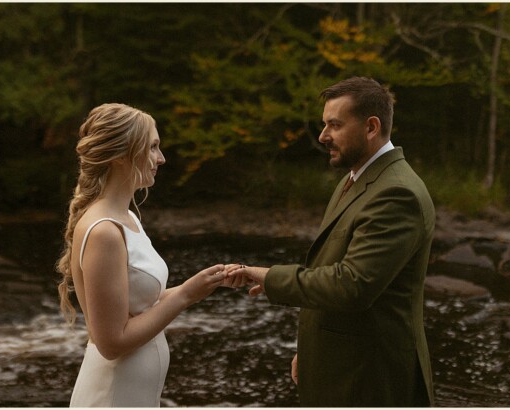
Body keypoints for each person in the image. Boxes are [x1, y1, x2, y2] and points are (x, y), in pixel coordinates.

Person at [229, 77, 436, 406]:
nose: (324, 136)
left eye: (334, 125)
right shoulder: (355, 179)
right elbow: (327, 269)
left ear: (371, 127)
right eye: (325, 125)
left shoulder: (397, 193)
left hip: (369, 379)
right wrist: (310, 352)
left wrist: (269, 276)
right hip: (342, 367)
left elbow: (352, 285)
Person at [57, 103, 235, 407]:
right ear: (120, 156)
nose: (161, 159)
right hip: (112, 396)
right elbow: (111, 343)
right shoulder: (104, 231)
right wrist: (185, 296)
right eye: (153, 147)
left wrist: (201, 283)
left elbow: (141, 307)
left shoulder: (128, 218)